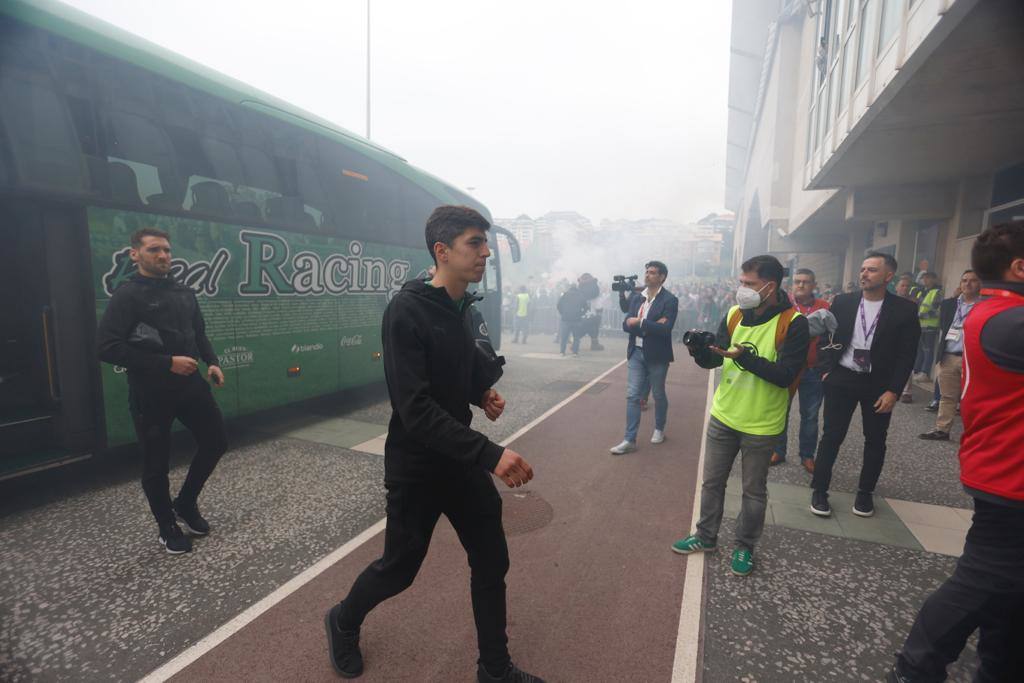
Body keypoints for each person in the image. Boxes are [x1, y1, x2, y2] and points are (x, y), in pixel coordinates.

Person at [324, 206, 543, 683]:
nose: (486, 252)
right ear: (442, 251)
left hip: (459, 462)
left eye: (486, 243)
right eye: (475, 243)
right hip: (419, 466)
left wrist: (478, 393)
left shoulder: (462, 306)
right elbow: (415, 408)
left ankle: (495, 669)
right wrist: (492, 454)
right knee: (399, 569)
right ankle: (342, 620)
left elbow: (450, 373)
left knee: (491, 558)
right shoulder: (406, 310)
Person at [889, 221, 1024, 683]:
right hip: (1012, 475)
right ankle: (915, 669)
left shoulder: (995, 313)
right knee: (982, 582)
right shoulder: (1009, 319)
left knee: (1006, 594)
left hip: (1003, 468)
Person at [672, 256, 809, 577]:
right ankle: (705, 536)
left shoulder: (794, 323)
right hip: (724, 414)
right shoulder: (735, 315)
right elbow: (716, 360)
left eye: (748, 284)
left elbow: (786, 375)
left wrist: (744, 357)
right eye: (741, 282)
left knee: (753, 491)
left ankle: (745, 546)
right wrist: (700, 352)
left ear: (770, 286)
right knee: (712, 483)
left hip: (761, 424)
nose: (741, 289)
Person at [96, 227, 228, 555]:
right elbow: (107, 348)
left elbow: (199, 332)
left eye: (167, 250)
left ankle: (184, 503)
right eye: (154, 250)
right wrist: (166, 362)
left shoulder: (184, 291)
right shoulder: (127, 295)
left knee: (217, 442)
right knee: (156, 464)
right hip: (150, 393)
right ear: (135, 255)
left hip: (191, 387)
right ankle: (166, 525)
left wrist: (211, 361)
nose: (163, 256)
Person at [810, 252, 920, 518]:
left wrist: (894, 390)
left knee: (875, 440)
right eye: (863, 269)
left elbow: (907, 354)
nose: (864, 274)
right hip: (842, 378)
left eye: (871, 270)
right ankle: (819, 491)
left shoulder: (904, 310)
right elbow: (828, 336)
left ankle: (864, 494)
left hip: (878, 385)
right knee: (831, 437)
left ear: (888, 276)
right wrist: (827, 370)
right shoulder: (844, 302)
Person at [609, 261, 679, 454]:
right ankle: (629, 440)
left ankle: (659, 428)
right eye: (646, 272)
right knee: (633, 396)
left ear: (662, 277)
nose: (647, 275)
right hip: (636, 353)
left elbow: (665, 329)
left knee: (658, 394)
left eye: (653, 273)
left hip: (657, 355)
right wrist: (649, 324)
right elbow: (625, 323)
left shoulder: (669, 300)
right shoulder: (637, 298)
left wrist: (639, 321)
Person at [770, 268, 829, 473]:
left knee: (810, 415)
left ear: (814, 285)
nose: (801, 285)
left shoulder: (824, 307)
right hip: (787, 368)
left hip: (813, 370)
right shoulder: (783, 306)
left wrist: (826, 367)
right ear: (791, 284)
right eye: (797, 281)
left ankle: (807, 455)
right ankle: (778, 450)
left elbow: (831, 338)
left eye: (805, 282)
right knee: (780, 411)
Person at [918, 270, 982, 442]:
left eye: (973, 280)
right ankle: (942, 430)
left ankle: (974, 434)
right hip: (948, 355)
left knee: (972, 398)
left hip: (972, 359)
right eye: (964, 280)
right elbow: (943, 327)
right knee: (947, 396)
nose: (968, 284)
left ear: (980, 284)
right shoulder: (949, 304)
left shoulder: (984, 306)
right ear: (960, 284)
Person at [913, 271, 942, 380]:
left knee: (928, 350)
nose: (925, 280)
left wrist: (921, 315)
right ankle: (917, 370)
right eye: (924, 278)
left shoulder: (937, 292)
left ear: (934, 279)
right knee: (919, 349)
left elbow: (937, 311)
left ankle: (924, 372)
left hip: (930, 326)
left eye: (928, 278)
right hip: (920, 325)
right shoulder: (921, 292)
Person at [556, 283, 585, 356]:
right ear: (576, 288)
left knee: (564, 337)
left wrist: (563, 313)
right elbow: (586, 307)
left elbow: (558, 305)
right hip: (577, 319)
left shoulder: (565, 295)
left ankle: (562, 352)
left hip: (566, 319)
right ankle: (575, 352)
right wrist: (581, 313)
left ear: (570, 288)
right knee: (576, 337)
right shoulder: (580, 295)